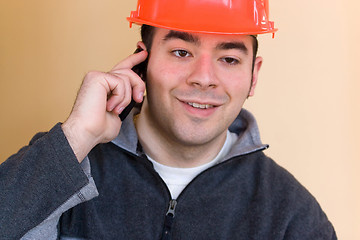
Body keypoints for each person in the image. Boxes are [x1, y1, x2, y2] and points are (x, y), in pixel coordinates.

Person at [0, 0, 337, 239]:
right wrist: (77, 135)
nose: (204, 78)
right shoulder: (66, 163)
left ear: (253, 75)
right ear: (141, 63)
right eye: (181, 52)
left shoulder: (291, 214)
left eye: (230, 59)